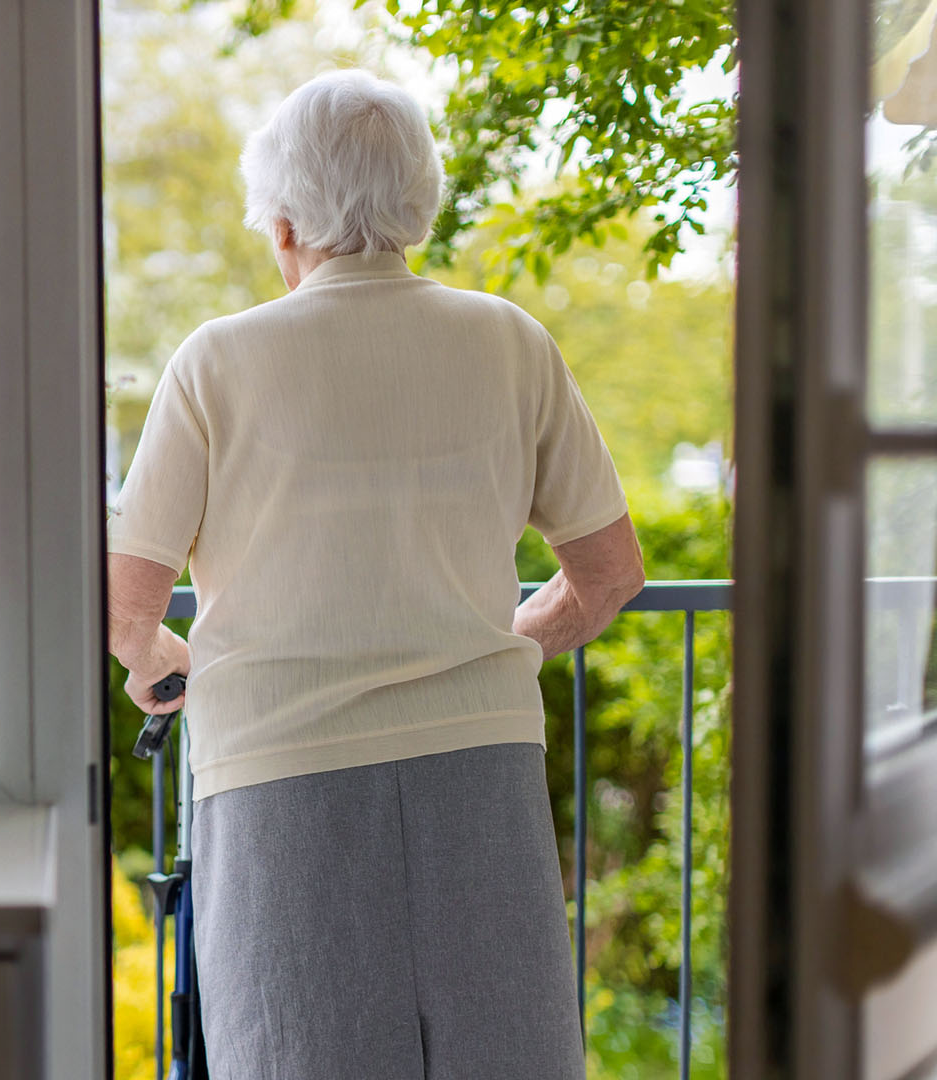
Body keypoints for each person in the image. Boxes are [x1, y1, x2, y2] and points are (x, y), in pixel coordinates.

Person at [106, 69, 644, 1080]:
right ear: (418, 200)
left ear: (281, 221)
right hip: (481, 771)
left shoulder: (215, 361)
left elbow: (125, 601)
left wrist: (156, 659)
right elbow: (609, 574)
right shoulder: (511, 343)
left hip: (278, 782)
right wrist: (496, 650)